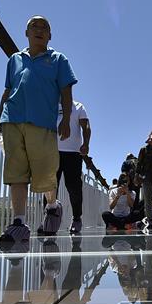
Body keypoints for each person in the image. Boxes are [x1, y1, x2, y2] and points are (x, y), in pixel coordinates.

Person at [0, 15, 77, 250]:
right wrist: (0, 118)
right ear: (26, 33)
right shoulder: (14, 60)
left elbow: (66, 92)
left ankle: (52, 205)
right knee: (16, 171)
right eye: (34, 26)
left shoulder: (58, 59)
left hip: (42, 123)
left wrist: (67, 120)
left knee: (45, 173)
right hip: (13, 120)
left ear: (50, 36)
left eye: (44, 27)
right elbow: (8, 90)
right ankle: (19, 223)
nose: (39, 29)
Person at [39, 99, 91, 235]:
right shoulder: (50, 104)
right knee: (49, 186)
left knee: (73, 187)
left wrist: (85, 143)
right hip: (52, 151)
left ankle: (77, 218)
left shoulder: (79, 106)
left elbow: (85, 126)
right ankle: (47, 219)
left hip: (73, 152)